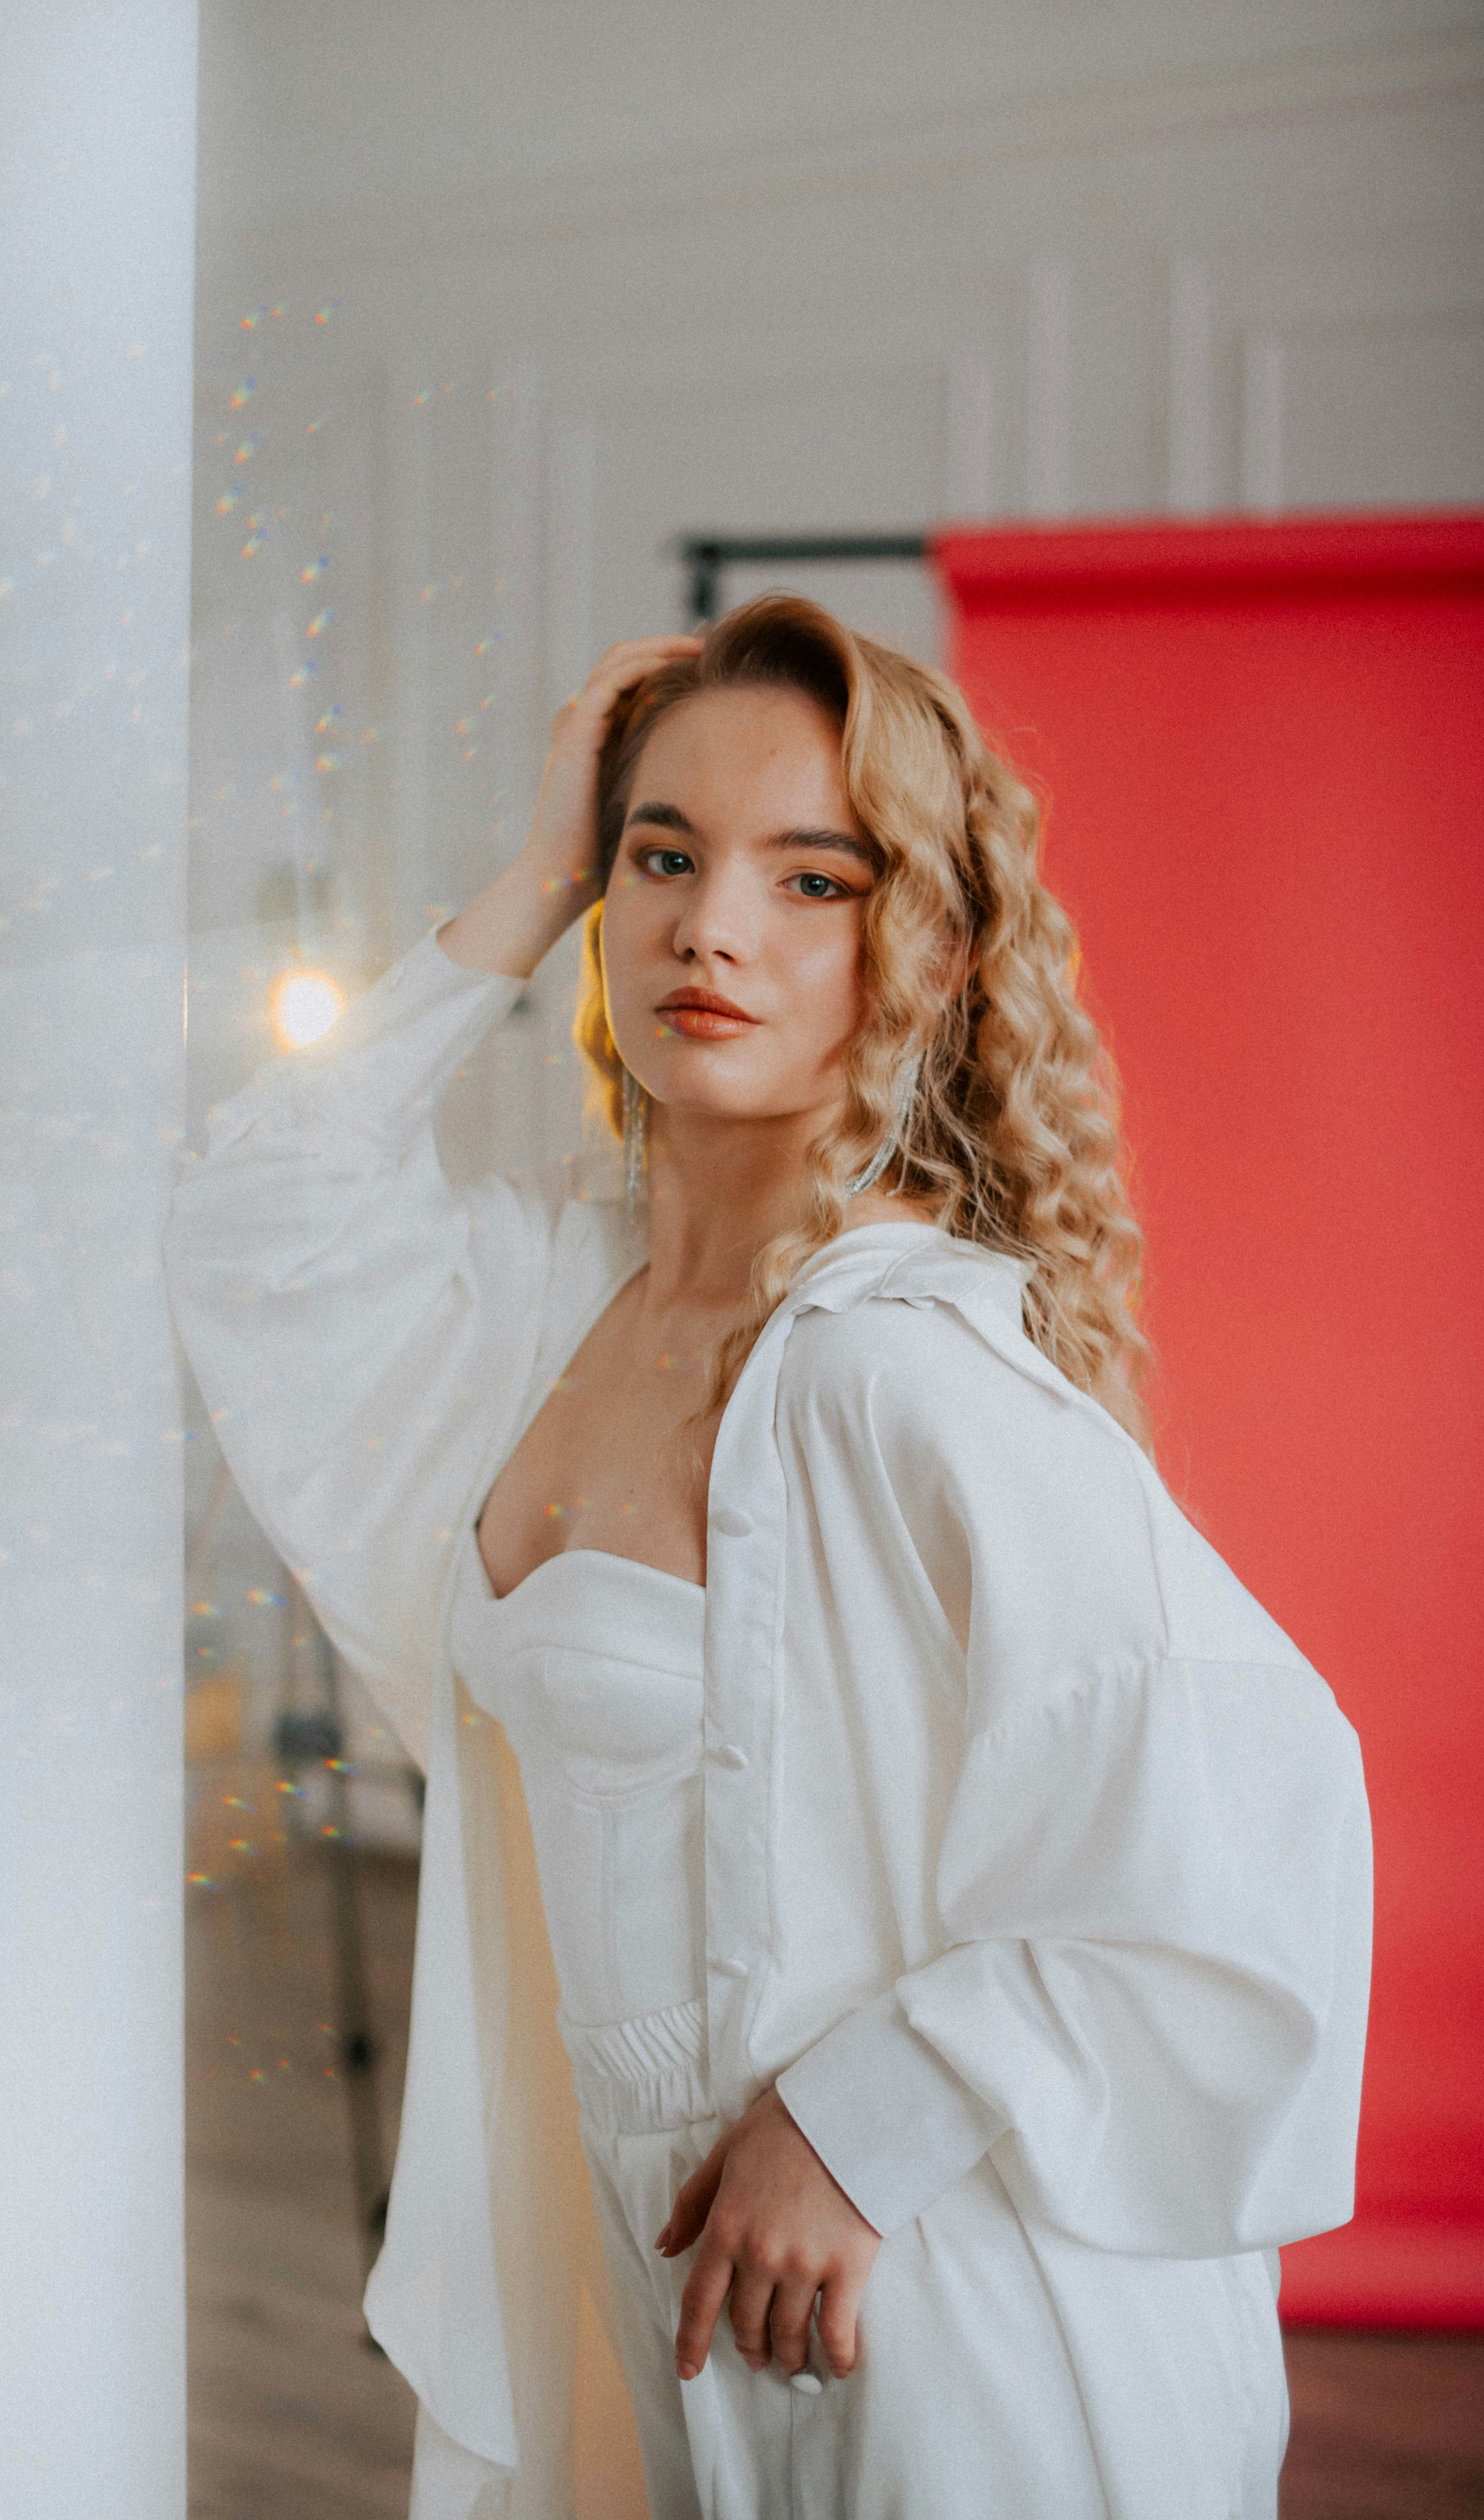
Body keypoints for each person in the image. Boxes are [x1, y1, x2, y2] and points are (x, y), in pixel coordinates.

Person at [165, 594, 1372, 2520]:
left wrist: (857, 2118)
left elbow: (1249, 1806)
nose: (705, 927)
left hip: (914, 2297)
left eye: (809, 878)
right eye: (662, 856)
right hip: (643, 2256)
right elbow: (255, 1221)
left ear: (921, 946)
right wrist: (538, 868)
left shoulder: (895, 1362)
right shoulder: (551, 1301)